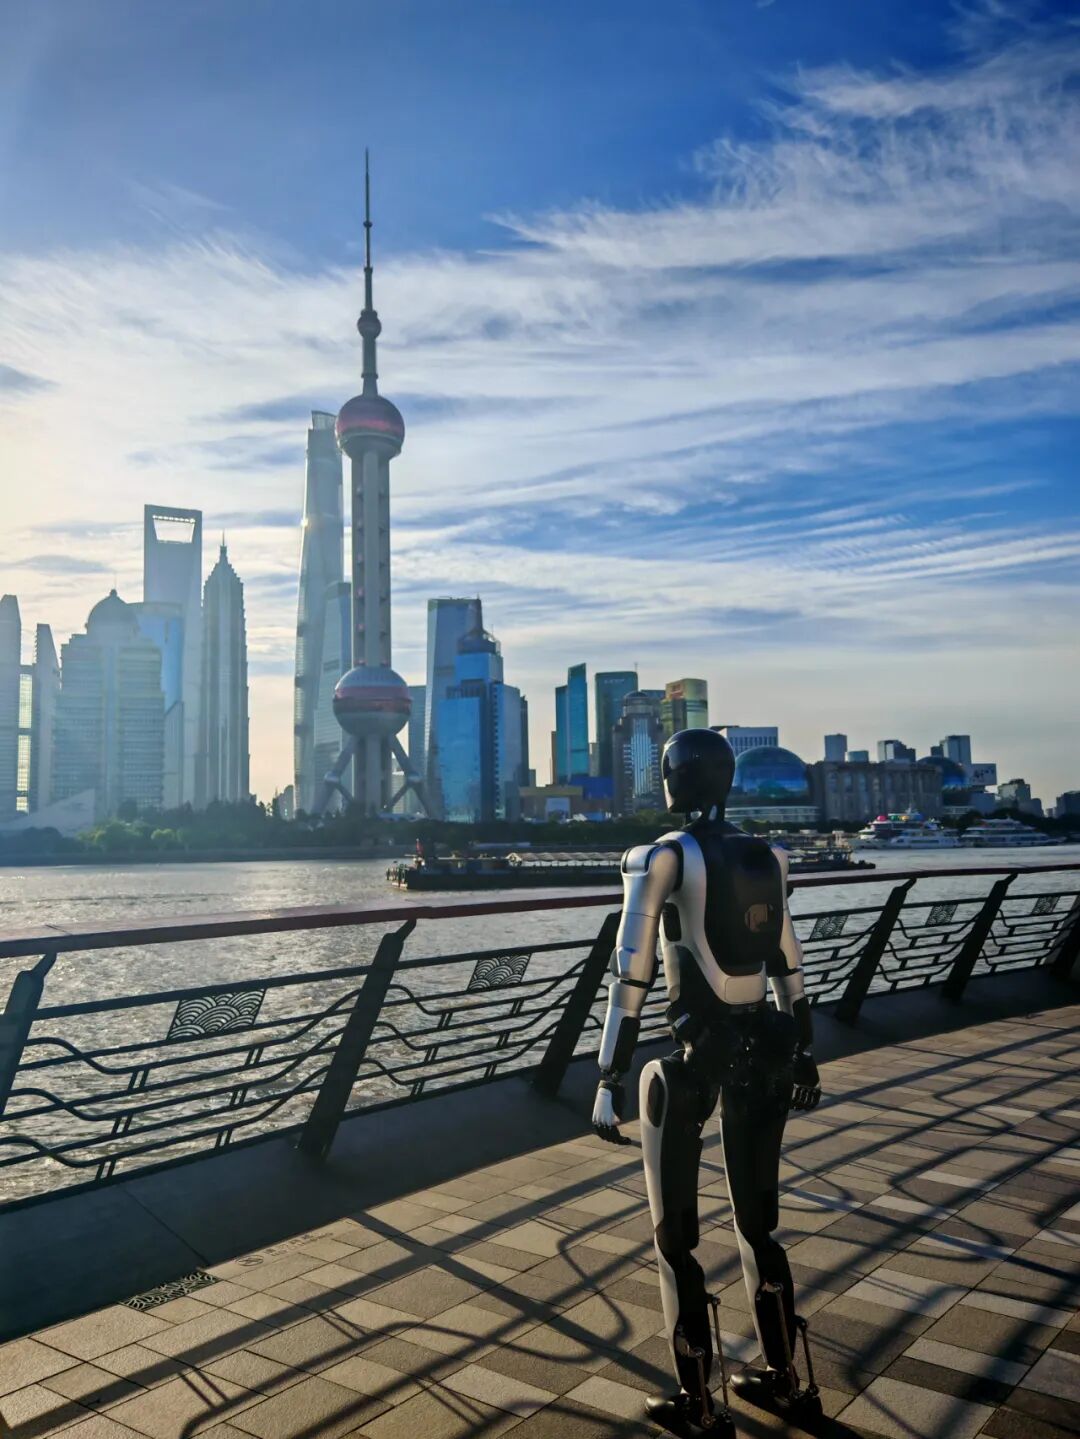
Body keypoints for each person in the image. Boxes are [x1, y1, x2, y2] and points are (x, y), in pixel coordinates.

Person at [591, 728, 822, 1436]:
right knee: (758, 1223)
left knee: (676, 1238)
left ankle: (696, 1401)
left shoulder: (663, 856)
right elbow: (788, 962)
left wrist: (609, 1074)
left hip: (690, 1063)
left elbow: (631, 969)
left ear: (675, 779)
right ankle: (785, 1378)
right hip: (767, 1050)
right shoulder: (768, 855)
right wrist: (804, 1049)